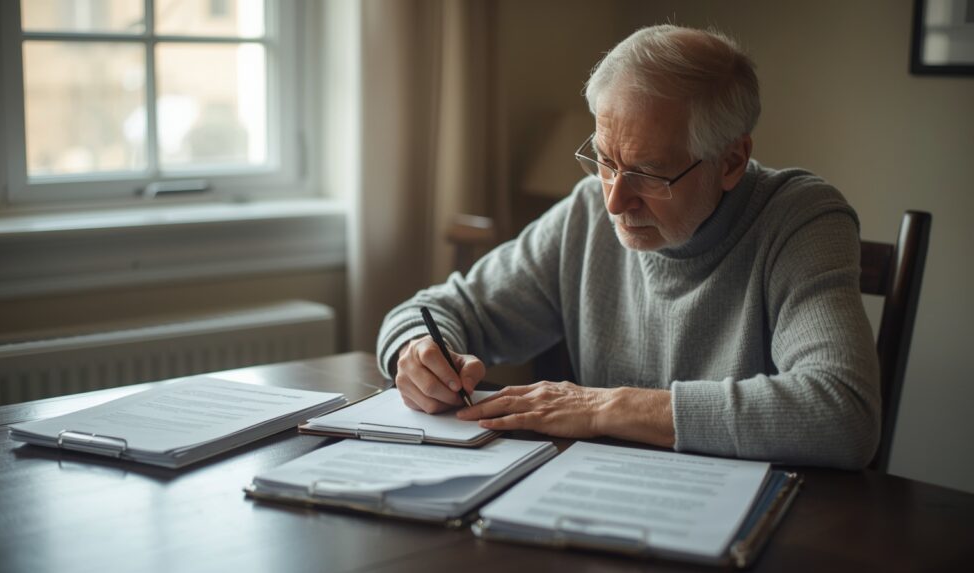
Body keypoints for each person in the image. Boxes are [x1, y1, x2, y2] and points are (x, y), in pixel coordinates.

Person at [376, 24, 880, 469]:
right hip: (601, 497)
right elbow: (435, 310)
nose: (615, 201)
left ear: (731, 162)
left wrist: (603, 408)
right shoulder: (586, 212)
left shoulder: (800, 219)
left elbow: (842, 411)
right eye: (604, 160)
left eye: (649, 173)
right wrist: (416, 354)